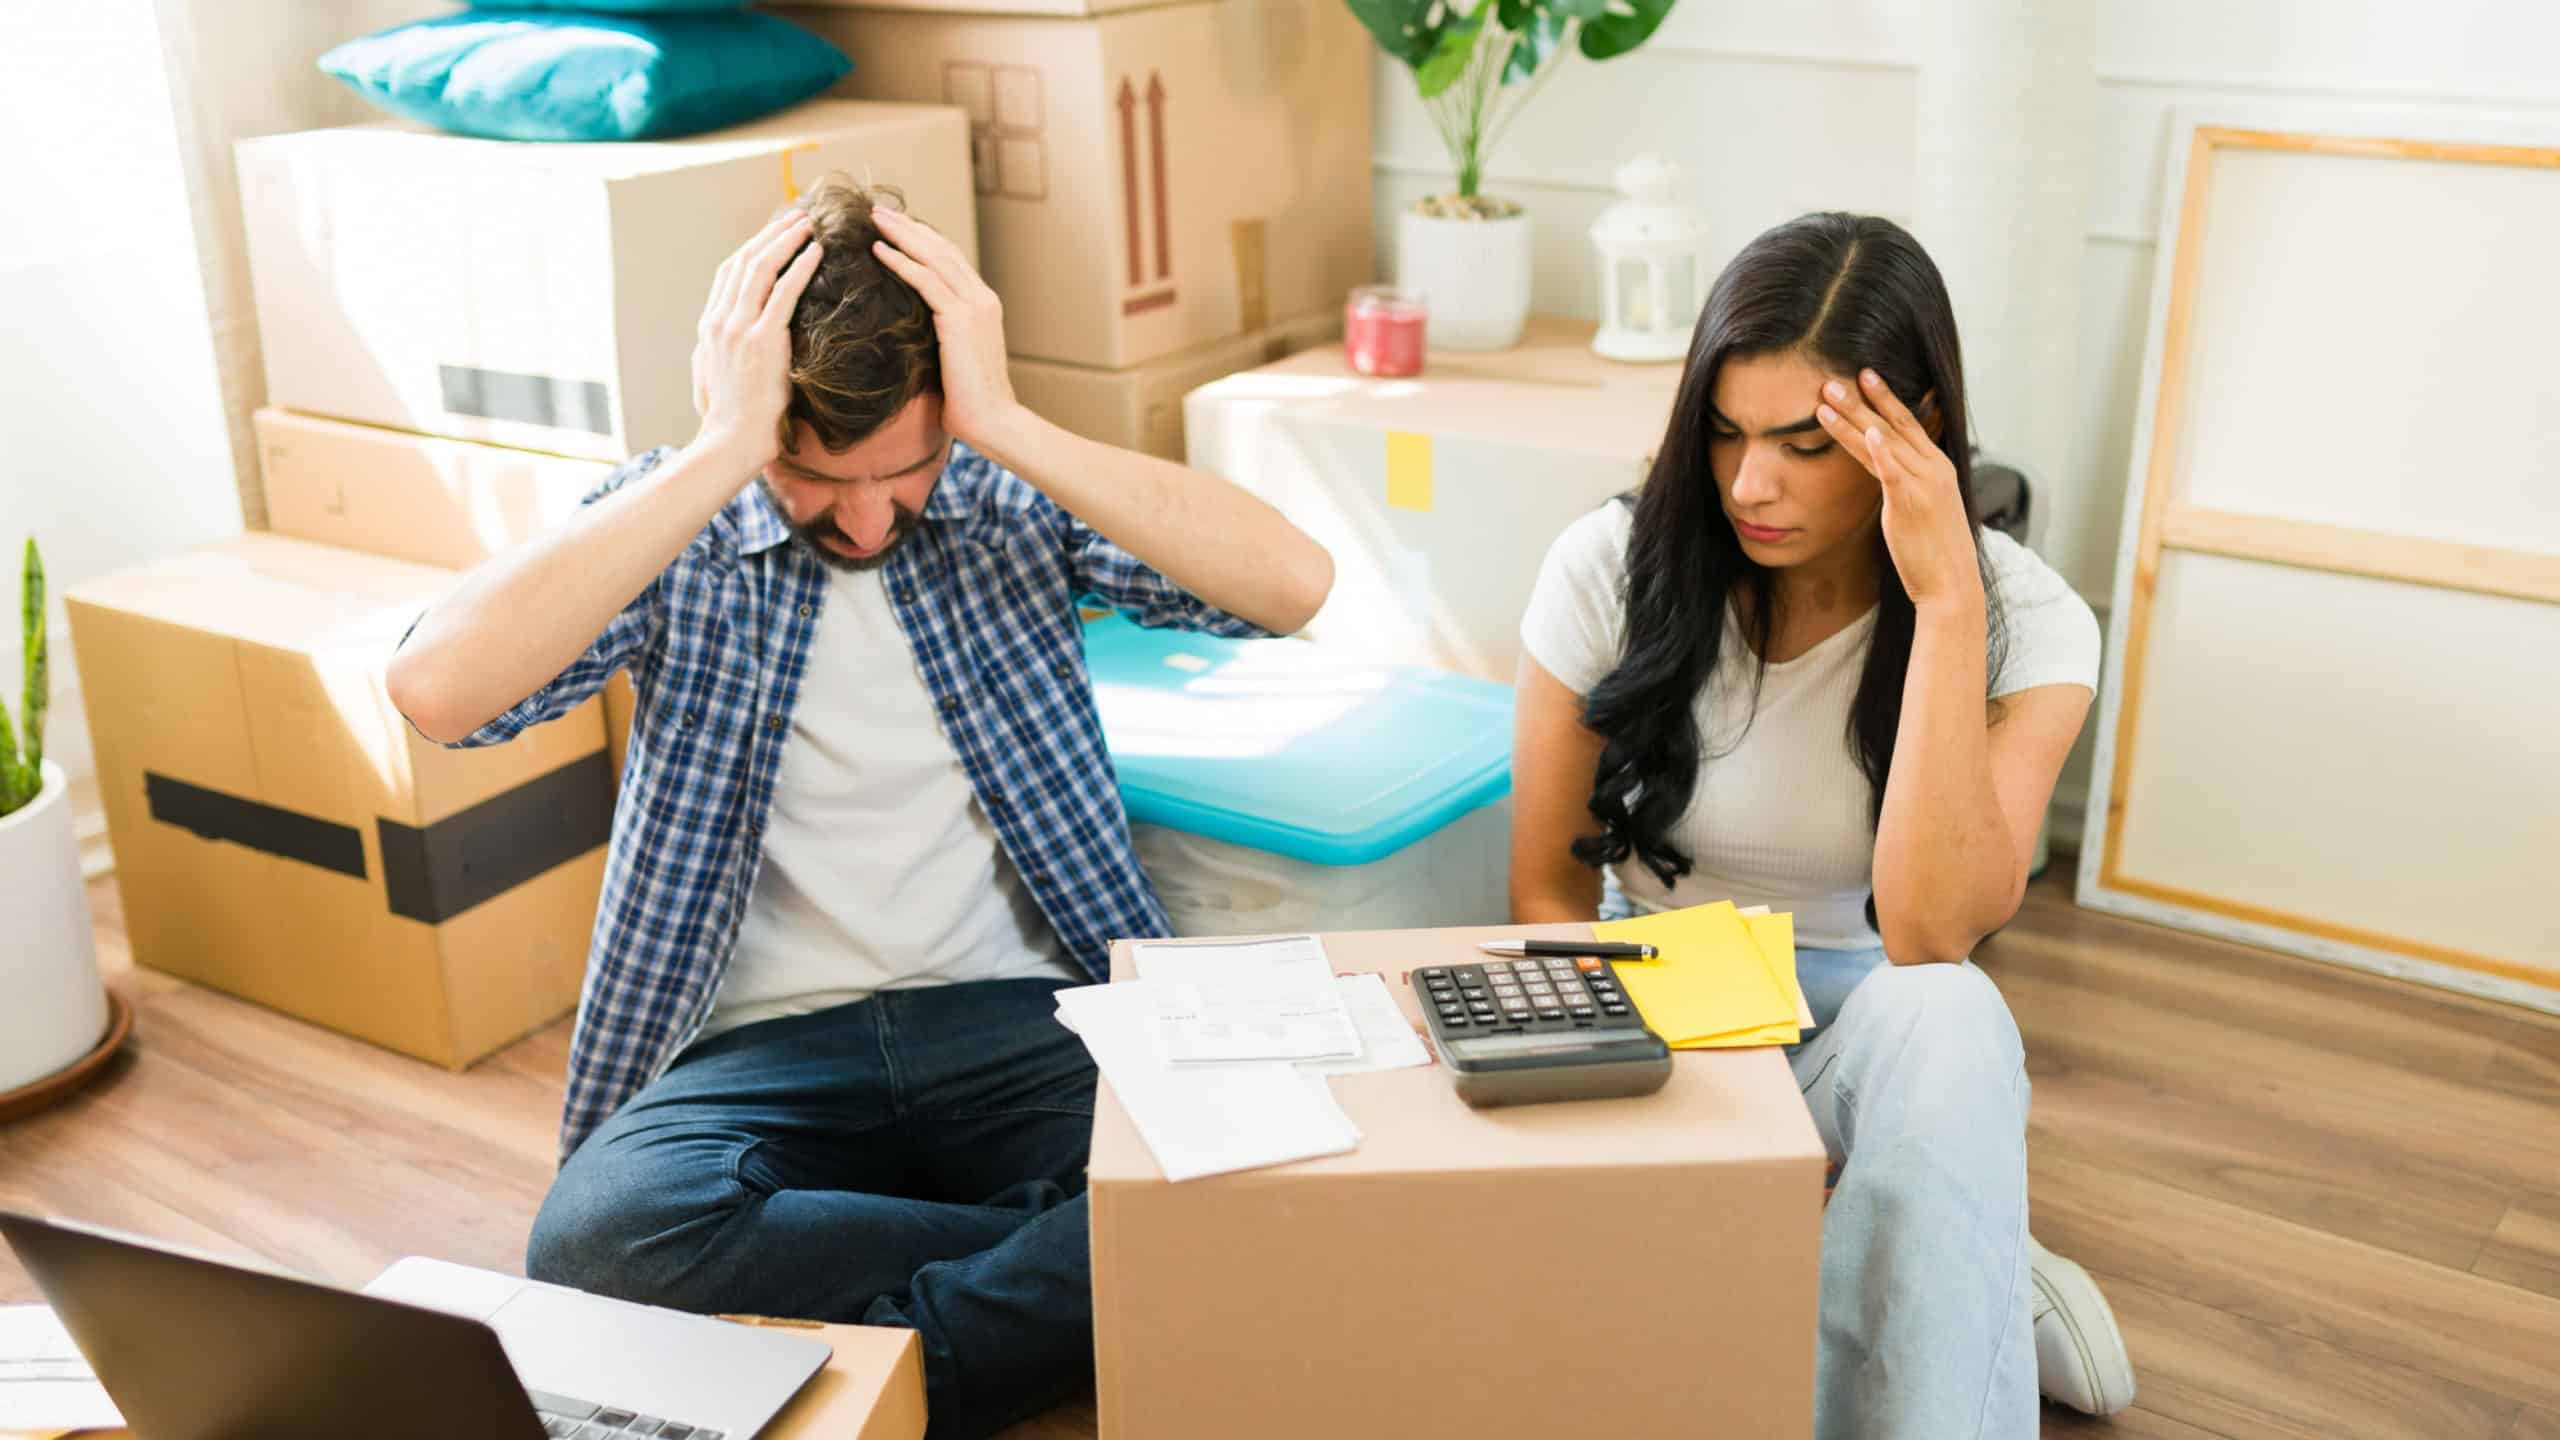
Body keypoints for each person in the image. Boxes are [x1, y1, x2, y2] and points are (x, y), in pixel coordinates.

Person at [386, 176, 1333, 1439]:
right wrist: (723, 451)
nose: (871, 515)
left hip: (1021, 1021)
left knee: (1265, 1162)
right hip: (763, 1055)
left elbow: (1290, 584)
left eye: (908, 467)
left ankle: (880, 1386)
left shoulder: (1002, 498)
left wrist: (998, 420)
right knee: (599, 1239)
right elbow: (437, 690)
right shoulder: (681, 525)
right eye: (815, 476)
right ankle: (1073, 1274)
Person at [1508, 212, 2135, 1437]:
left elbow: (1931, 929)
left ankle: (1926, 1230)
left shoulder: (2028, 620)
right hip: (1664, 1022)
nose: (1751, 485)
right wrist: (1712, 1124)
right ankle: (1961, 1247)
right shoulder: (1605, 568)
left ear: (1920, 434)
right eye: (1728, 435)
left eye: (1806, 445)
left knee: (1947, 1012)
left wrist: (1945, 602)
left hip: (1882, 1048)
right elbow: (1543, 899)